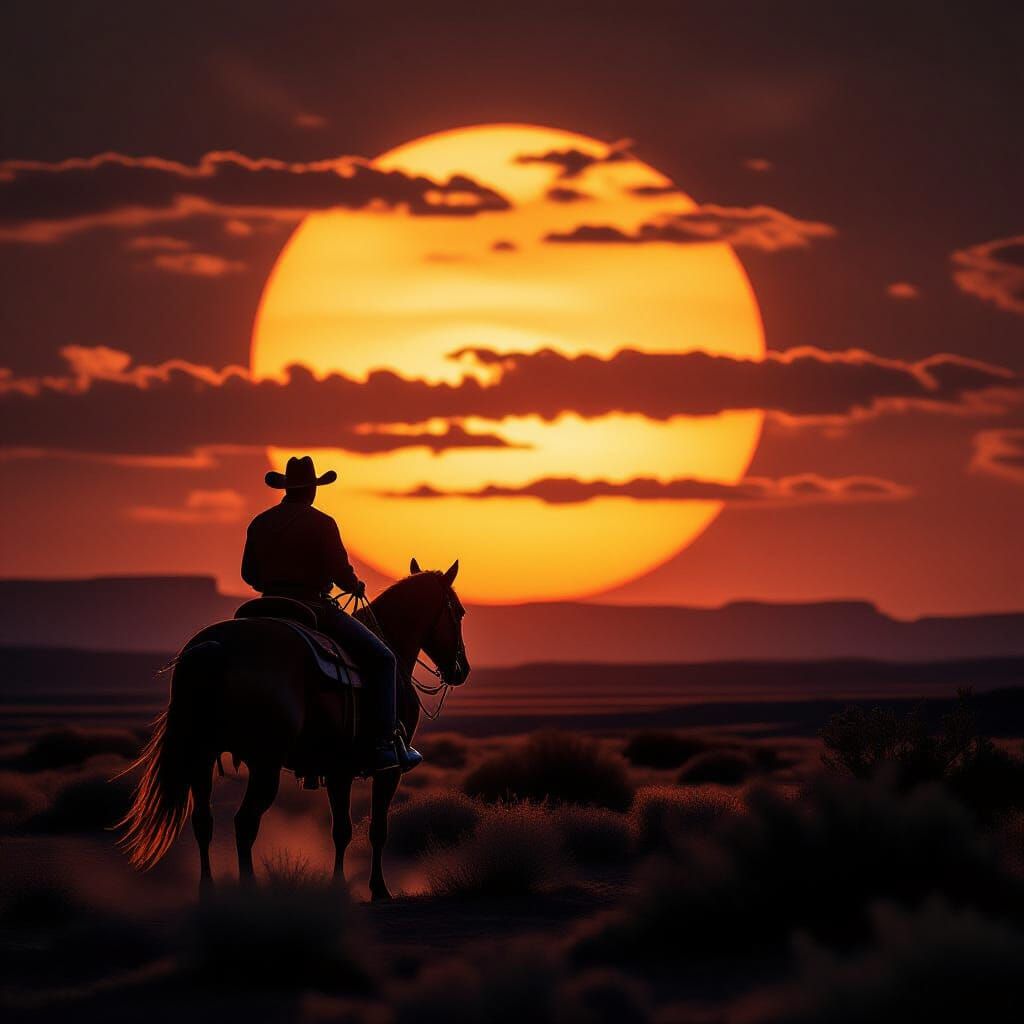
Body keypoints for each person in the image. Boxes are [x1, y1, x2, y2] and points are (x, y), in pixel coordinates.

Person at [241, 455, 421, 774]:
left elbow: (248, 575)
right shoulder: (322, 523)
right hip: (312, 607)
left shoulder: (260, 523)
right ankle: (383, 744)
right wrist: (354, 584)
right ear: (312, 489)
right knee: (383, 659)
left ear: (286, 488)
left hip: (264, 607)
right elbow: (341, 574)